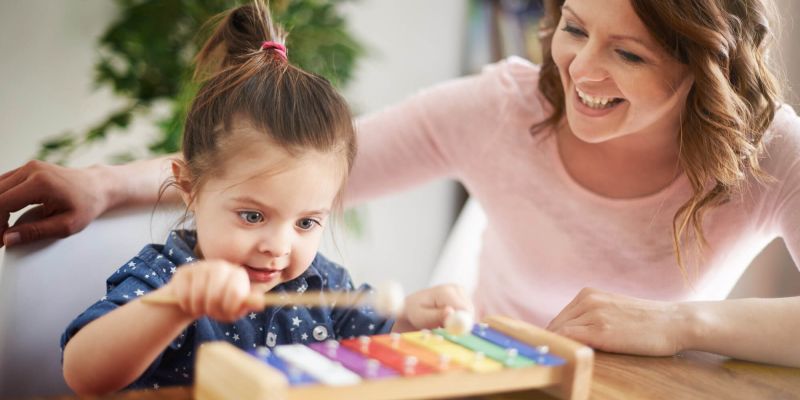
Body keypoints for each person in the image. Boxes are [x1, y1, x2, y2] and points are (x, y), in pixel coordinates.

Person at [2, 0, 799, 368]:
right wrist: (106, 185)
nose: (582, 71)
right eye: (576, 30)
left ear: (707, 66)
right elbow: (271, 165)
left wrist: (684, 323)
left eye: (628, 54)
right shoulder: (503, 106)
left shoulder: (775, 154)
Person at [57, 2, 473, 395]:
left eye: (306, 223)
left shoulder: (320, 286)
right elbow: (84, 375)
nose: (278, 245)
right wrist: (173, 307)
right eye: (253, 215)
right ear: (190, 189)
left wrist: (411, 318)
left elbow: (378, 342)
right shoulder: (164, 280)